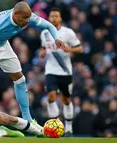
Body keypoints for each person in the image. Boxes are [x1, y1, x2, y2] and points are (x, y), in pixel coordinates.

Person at [39, 8, 83, 137]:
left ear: (60, 18)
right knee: (51, 97)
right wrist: (42, 54)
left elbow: (80, 48)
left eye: (56, 16)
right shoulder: (45, 33)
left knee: (66, 99)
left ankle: (68, 127)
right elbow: (43, 49)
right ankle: (56, 124)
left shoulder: (68, 33)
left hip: (65, 71)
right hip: (50, 70)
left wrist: (69, 49)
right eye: (51, 16)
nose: (53, 18)